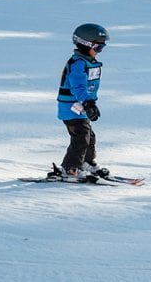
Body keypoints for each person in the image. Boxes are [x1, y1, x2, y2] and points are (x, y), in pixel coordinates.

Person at [46, 23, 109, 182]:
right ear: (86, 44)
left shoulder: (88, 62)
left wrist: (89, 104)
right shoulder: (78, 63)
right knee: (81, 137)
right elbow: (78, 86)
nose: (99, 51)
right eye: (98, 47)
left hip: (80, 107)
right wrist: (87, 102)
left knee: (89, 136)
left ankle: (86, 162)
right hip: (71, 107)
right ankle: (70, 168)